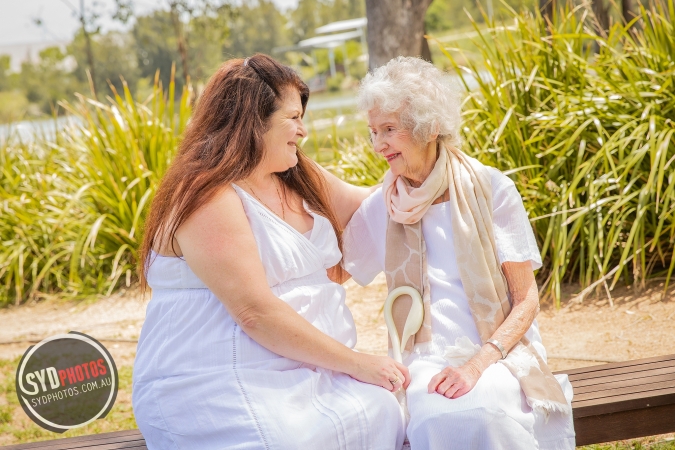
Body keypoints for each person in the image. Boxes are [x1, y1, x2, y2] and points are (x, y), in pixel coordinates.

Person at [132, 54, 407, 450]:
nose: (303, 131)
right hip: (218, 379)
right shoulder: (205, 196)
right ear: (252, 121)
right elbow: (254, 313)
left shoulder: (295, 173)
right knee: (282, 441)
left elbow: (371, 205)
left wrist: (424, 170)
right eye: (292, 118)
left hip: (311, 373)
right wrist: (361, 363)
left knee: (385, 410)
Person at [342, 56, 576, 450]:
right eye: (372, 132)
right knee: (436, 415)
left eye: (389, 129)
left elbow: (527, 300)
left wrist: (476, 365)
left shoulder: (492, 189)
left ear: (430, 127)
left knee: (481, 411)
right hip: (424, 358)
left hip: (495, 354)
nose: (378, 144)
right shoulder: (385, 203)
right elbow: (335, 270)